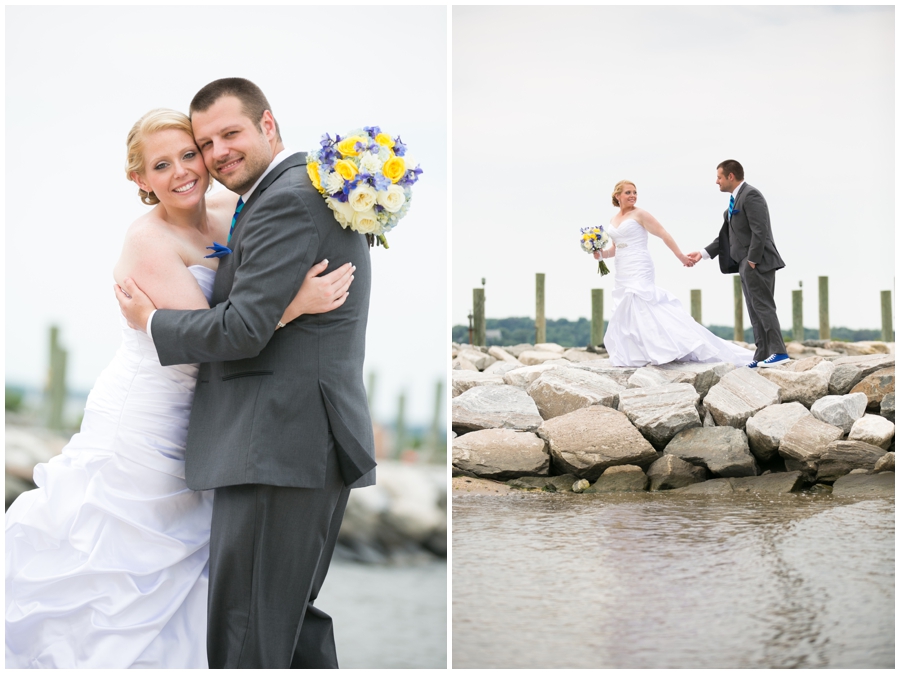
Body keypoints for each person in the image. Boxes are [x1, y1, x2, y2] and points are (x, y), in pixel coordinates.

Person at [4, 109, 353, 668]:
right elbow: (216, 339)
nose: (183, 172)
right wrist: (293, 307)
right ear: (139, 180)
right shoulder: (148, 241)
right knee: (127, 564)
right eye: (161, 165)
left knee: (197, 573)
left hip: (208, 414)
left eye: (189, 155)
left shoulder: (227, 210)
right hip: (146, 416)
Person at [116, 78, 377, 669]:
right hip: (292, 440)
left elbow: (240, 329)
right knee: (288, 626)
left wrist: (152, 322)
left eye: (227, 134)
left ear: (267, 124)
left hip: (275, 443)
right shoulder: (300, 188)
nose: (214, 154)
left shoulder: (284, 198)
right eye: (204, 142)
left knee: (247, 635)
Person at [595, 180, 754, 367]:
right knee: (626, 308)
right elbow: (615, 248)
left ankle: (669, 346)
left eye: (635, 192)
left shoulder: (640, 214)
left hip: (639, 264)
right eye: (628, 192)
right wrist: (600, 254)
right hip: (622, 268)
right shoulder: (613, 220)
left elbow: (663, 233)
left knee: (640, 301)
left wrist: (680, 256)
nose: (633, 196)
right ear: (617, 195)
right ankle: (638, 352)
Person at [686, 160, 788, 368]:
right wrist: (703, 254)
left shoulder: (751, 195)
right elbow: (726, 237)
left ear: (730, 176)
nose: (717, 182)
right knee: (753, 309)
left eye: (719, 177)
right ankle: (761, 355)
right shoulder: (734, 201)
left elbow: (761, 231)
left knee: (763, 307)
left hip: (758, 262)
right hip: (745, 264)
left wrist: (752, 260)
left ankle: (779, 352)